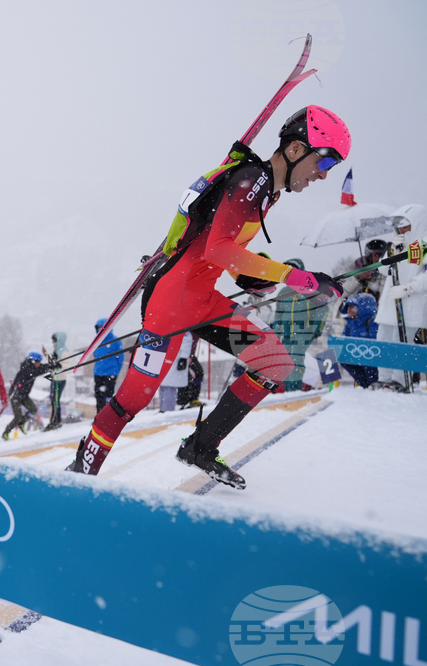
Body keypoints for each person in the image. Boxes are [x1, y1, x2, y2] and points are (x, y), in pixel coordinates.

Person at [72, 105, 349, 489]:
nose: (323, 174)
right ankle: (79, 474)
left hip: (203, 302)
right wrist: (292, 276)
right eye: (326, 161)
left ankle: (201, 447)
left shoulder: (266, 192)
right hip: (170, 305)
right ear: (296, 149)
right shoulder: (251, 181)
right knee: (131, 401)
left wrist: (250, 278)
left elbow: (223, 250)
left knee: (273, 362)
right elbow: (219, 249)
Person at [374, 204, 427, 391]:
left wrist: (410, 287)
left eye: (406, 226)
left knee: (402, 343)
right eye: (399, 227)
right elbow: (383, 270)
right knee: (383, 339)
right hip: (390, 301)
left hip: (411, 302)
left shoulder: (424, 245)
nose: (403, 231)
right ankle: (383, 378)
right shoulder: (398, 244)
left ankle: (400, 381)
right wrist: (392, 250)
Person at [270, 258, 332, 392]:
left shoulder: (311, 288)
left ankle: (294, 389)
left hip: (304, 331)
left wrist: (316, 328)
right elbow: (278, 314)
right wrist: (276, 332)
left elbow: (323, 308)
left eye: (294, 270)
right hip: (286, 332)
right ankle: (286, 389)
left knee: (295, 359)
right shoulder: (283, 292)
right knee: (285, 360)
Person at [2, 352, 52, 439]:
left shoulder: (33, 368)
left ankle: (22, 423)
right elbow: (37, 371)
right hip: (15, 396)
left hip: (24, 396)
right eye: (38, 362)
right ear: (32, 362)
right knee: (18, 417)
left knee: (33, 410)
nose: (39, 364)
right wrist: (49, 367)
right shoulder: (26, 369)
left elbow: (40, 368)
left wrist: (50, 366)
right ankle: (6, 432)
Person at [341, 293, 380, 388]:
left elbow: (376, 344)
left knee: (367, 360)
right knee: (344, 359)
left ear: (362, 308)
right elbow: (343, 340)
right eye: (348, 307)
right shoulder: (350, 324)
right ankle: (365, 384)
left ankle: (374, 383)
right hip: (358, 355)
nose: (349, 309)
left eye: (353, 307)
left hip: (371, 357)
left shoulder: (373, 322)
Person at [92, 318, 123, 412]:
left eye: (102, 327)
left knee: (108, 396)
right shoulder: (96, 341)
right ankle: (99, 415)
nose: (100, 329)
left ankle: (107, 415)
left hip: (110, 373)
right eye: (98, 327)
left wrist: (115, 371)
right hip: (98, 373)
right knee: (98, 395)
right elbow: (95, 354)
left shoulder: (115, 341)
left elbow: (120, 358)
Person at [158, 333, 193, 412]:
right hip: (168, 355)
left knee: (169, 385)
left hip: (175, 357)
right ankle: (163, 408)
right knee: (163, 385)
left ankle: (167, 409)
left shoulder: (183, 330)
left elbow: (187, 340)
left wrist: (183, 357)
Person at [45, 331, 68, 430]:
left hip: (60, 379)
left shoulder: (64, 352)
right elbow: (53, 362)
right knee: (53, 399)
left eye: (54, 341)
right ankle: (56, 420)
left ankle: (55, 421)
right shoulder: (56, 351)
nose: (53, 343)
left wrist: (60, 365)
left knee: (55, 400)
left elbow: (69, 364)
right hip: (55, 379)